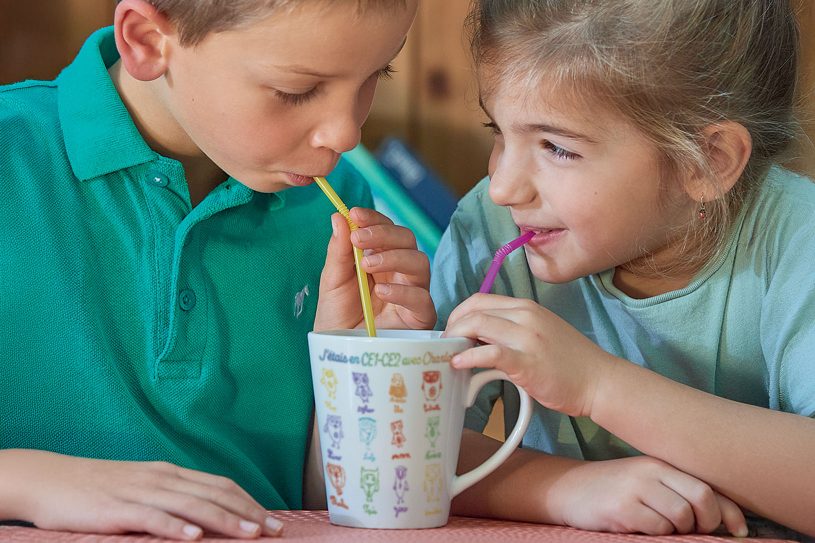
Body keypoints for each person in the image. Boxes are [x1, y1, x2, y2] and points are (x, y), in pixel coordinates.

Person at [0, 0, 433, 540]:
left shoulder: (337, 204)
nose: (346, 135)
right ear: (147, 42)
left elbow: (323, 507)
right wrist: (28, 481)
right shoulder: (11, 156)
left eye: (376, 76)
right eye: (297, 91)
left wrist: (354, 371)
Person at [432, 0, 815, 539]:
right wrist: (562, 489)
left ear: (706, 162)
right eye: (497, 130)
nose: (502, 187)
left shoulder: (799, 242)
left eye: (556, 148)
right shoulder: (490, 228)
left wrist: (598, 387)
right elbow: (415, 455)